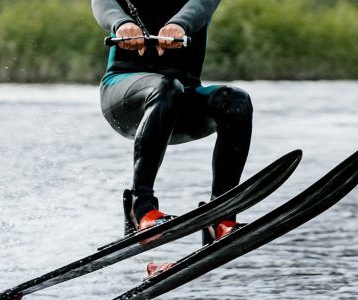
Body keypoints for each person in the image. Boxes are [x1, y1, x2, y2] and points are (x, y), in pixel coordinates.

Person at [92, 0, 252, 247]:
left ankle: (220, 216)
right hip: (123, 98)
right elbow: (102, 3)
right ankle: (141, 208)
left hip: (181, 103)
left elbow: (201, 5)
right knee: (166, 86)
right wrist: (121, 23)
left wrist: (179, 24)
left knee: (237, 101)